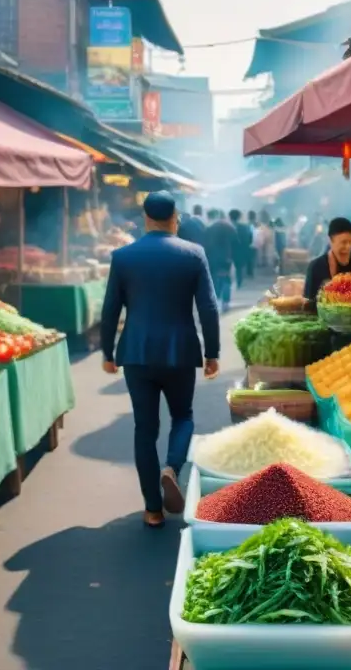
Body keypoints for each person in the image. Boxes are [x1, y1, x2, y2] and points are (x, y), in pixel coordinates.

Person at [100, 191, 220, 528]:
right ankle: (172, 467)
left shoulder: (123, 256)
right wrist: (212, 352)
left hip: (136, 353)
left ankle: (153, 508)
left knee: (145, 428)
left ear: (145, 218)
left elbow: (111, 310)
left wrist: (108, 352)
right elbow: (208, 308)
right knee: (183, 416)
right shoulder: (194, 254)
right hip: (180, 351)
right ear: (175, 218)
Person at [303, 217, 351, 304]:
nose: (348, 247)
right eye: (343, 242)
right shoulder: (316, 267)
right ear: (331, 241)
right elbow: (308, 305)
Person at [205, 209, 239, 311]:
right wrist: (233, 258)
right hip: (227, 258)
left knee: (214, 278)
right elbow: (236, 244)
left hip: (213, 258)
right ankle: (225, 302)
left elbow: (206, 244)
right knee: (226, 279)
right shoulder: (230, 228)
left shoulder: (210, 228)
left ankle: (216, 299)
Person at [229, 209, 253, 289]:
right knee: (239, 268)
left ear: (229, 217)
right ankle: (238, 283)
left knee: (227, 268)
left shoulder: (226, 227)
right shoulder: (245, 227)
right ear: (239, 217)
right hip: (240, 251)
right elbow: (249, 239)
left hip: (228, 251)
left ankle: (229, 283)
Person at [245, 210, 258, 277]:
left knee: (249, 258)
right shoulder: (256, 224)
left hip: (248, 243)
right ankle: (251, 272)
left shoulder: (247, 224)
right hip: (254, 244)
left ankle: (249, 272)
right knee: (252, 258)